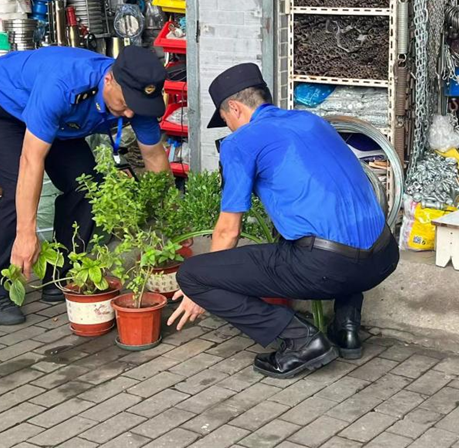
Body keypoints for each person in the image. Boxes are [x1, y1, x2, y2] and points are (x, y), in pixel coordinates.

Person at [169, 63, 399, 379]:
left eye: (224, 120)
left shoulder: (242, 142)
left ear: (234, 108)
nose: (229, 128)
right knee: (338, 225)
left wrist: (203, 284)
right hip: (384, 257)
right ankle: (346, 328)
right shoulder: (311, 121)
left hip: (329, 269)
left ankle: (302, 341)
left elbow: (228, 230)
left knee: (194, 275)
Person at [0, 45, 170, 326]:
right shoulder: (64, 84)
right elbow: (31, 160)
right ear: (109, 79)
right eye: (125, 103)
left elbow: (154, 156)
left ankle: (59, 274)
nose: (131, 113)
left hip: (62, 123)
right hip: (1, 107)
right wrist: (27, 234)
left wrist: (168, 222)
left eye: (138, 105)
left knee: (87, 185)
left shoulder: (136, 97)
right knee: (17, 189)